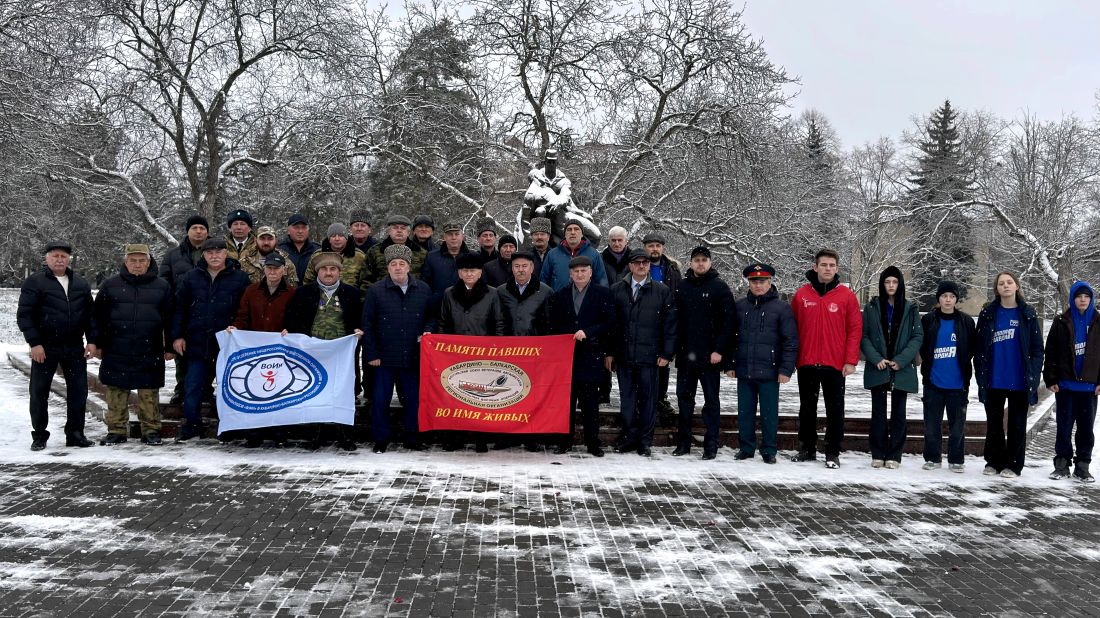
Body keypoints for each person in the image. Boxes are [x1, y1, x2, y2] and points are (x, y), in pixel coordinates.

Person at [90, 244, 174, 446]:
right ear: (126, 262)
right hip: (116, 347)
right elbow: (97, 318)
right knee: (116, 391)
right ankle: (116, 430)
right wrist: (97, 343)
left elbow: (171, 318)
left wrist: (170, 346)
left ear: (149, 262)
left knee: (148, 391)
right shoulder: (110, 285)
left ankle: (151, 430)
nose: (137, 265)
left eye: (142, 261)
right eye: (133, 261)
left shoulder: (162, 286)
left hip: (150, 347)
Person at [17, 241, 96, 451]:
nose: (59, 260)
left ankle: (75, 433)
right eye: (55, 256)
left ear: (69, 259)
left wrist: (93, 341)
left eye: (63, 256)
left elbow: (90, 316)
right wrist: (34, 343)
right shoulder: (35, 282)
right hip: (45, 347)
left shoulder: (80, 283)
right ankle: (40, 435)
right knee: (39, 391)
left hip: (73, 347)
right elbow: (25, 315)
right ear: (47, 258)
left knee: (79, 391)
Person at [171, 238, 251, 441]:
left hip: (227, 345)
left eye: (218, 252)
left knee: (230, 388)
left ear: (226, 254)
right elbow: (179, 309)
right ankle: (192, 426)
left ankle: (229, 429)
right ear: (204, 255)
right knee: (193, 388)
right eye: (210, 253)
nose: (214, 256)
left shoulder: (240, 278)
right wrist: (177, 336)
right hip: (197, 341)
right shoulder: (191, 278)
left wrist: (241, 332)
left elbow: (246, 311)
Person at [283, 252, 363, 451]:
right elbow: (292, 319)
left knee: (344, 392)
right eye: (324, 269)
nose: (329, 273)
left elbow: (360, 319)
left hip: (342, 353)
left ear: (339, 271)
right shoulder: (303, 293)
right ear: (318, 271)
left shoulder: (351, 293)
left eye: (333, 269)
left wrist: (360, 331)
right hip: (313, 353)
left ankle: (346, 434)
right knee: (314, 391)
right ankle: (314, 434)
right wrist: (290, 332)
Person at [790, 249, 862, 469]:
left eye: (832, 265)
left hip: (835, 364)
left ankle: (832, 452)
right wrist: (792, 359)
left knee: (835, 410)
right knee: (807, 408)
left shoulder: (846, 296)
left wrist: (850, 360)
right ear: (815, 267)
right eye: (824, 265)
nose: (828, 269)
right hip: (807, 362)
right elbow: (791, 329)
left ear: (837, 268)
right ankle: (807, 449)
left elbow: (855, 329)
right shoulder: (802, 295)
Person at [362, 244, 435, 453]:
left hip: (412, 355)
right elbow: (368, 323)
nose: (397, 268)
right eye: (393, 264)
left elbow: (431, 316)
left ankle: (412, 437)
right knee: (380, 400)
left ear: (409, 267)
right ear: (388, 268)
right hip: (384, 357)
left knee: (413, 400)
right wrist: (372, 353)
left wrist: (429, 330)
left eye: (402, 264)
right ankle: (381, 439)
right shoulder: (376, 291)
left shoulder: (422, 289)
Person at [974, 271, 1044, 478]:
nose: (1005, 286)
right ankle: (994, 462)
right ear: (996, 289)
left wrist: (1033, 370)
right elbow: (979, 349)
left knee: (1017, 424)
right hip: (994, 377)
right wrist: (980, 372)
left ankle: (1014, 465)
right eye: (1001, 283)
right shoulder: (988, 314)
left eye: (1009, 282)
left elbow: (1037, 350)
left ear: (1016, 286)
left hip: (1019, 379)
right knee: (994, 423)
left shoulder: (1027, 314)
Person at [608, 249, 677, 457]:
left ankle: (645, 441)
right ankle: (630, 435)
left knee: (648, 400)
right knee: (627, 398)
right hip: (624, 355)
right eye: (637, 263)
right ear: (630, 266)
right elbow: (612, 326)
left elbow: (670, 325)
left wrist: (667, 353)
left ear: (649, 266)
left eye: (645, 263)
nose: (641, 266)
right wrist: (610, 352)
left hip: (651, 356)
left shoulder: (661, 291)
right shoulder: (617, 290)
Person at [548, 256, 617, 457]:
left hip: (591, 355)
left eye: (583, 271)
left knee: (590, 403)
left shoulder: (603, 294)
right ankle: (565, 441)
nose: (579, 274)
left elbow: (610, 322)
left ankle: (592, 442)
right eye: (576, 271)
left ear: (590, 272)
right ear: (570, 274)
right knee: (566, 403)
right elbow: (553, 324)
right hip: (566, 358)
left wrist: (589, 332)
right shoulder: (560, 295)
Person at [730, 263, 798, 465]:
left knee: (769, 414)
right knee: (745, 412)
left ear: (770, 282)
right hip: (744, 370)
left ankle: (769, 449)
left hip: (770, 371)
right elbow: (732, 338)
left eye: (762, 281)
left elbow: (790, 341)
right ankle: (746, 447)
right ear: (749, 283)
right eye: (754, 281)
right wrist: (731, 364)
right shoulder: (740, 306)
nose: (758, 285)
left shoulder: (782, 308)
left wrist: (786, 369)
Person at [437, 253, 505, 452]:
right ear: (459, 272)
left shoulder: (492, 294)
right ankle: (454, 437)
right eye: (465, 270)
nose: (469, 274)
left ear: (480, 272)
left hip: (483, 354)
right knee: (456, 396)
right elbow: (442, 322)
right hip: (455, 354)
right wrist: (442, 348)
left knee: (479, 397)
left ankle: (480, 437)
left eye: (473, 270)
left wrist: (497, 349)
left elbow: (499, 322)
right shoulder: (449, 293)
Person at [672, 247, 735, 460]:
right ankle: (683, 443)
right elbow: (675, 321)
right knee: (684, 401)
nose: (700, 264)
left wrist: (719, 350)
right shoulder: (682, 287)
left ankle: (711, 444)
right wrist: (674, 349)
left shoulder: (720, 288)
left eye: (704, 260)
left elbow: (728, 323)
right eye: (696, 260)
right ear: (690, 263)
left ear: (710, 262)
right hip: (686, 356)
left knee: (711, 402)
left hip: (710, 357)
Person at [860, 266, 923, 469]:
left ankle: (894, 454)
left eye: (895, 282)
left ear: (900, 284)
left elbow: (917, 336)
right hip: (878, 365)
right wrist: (876, 358)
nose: (891, 286)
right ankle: (878, 453)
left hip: (900, 367)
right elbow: (865, 336)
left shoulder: (909, 308)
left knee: (899, 413)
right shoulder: (872, 307)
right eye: (887, 282)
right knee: (878, 412)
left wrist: (902, 360)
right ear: (882, 284)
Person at [1042, 281, 1099, 483]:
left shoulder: (1098, 321)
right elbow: (1050, 353)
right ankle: (1062, 464)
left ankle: (1083, 466)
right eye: (1078, 296)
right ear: (1072, 298)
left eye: (1086, 296)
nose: (1082, 299)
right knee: (1063, 427)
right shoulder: (1061, 321)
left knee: (1086, 429)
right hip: (1065, 386)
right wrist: (1050, 377)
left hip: (1090, 388)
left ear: (1091, 299)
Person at [919, 281, 976, 473]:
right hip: (934, 382)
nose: (948, 300)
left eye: (951, 296)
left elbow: (971, 349)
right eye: (944, 296)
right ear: (939, 298)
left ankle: (956, 459)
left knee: (957, 426)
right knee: (932, 424)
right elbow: (922, 346)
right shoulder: (928, 320)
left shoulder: (966, 321)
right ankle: (932, 457)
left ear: (956, 299)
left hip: (958, 383)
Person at [159, 214, 209, 404]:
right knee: (181, 350)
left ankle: (204, 389)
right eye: (194, 228)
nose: (198, 231)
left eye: (202, 228)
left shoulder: (215, 251)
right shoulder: (173, 255)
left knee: (205, 352)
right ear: (187, 231)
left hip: (206, 309)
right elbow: (164, 280)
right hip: (181, 309)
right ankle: (182, 387)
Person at [641, 231, 683, 420]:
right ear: (645, 247)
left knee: (663, 363)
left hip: (666, 320)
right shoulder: (639, 265)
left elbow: (678, 295)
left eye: (658, 245)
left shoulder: (673, 269)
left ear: (663, 248)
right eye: (651, 245)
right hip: (644, 321)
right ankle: (643, 399)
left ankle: (660, 398)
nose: (655, 249)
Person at [541, 218, 609, 291]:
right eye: (569, 229)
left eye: (576, 229)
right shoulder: (552, 254)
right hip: (558, 300)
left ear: (582, 234)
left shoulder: (594, 254)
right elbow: (543, 282)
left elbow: (602, 281)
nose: (572, 232)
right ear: (565, 234)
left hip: (586, 301)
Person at [302, 223, 368, 291]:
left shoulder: (359, 256)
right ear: (329, 239)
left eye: (341, 235)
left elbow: (366, 281)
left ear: (346, 238)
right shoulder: (318, 256)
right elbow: (308, 281)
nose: (337, 239)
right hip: (322, 298)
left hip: (351, 298)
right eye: (333, 236)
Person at [364, 214, 427, 284]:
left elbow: (426, 279)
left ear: (408, 232)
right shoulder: (374, 251)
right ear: (389, 231)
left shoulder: (421, 253)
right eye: (395, 228)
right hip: (382, 293)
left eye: (403, 228)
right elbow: (366, 280)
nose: (399, 231)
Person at [278, 214, 321, 281]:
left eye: (304, 227)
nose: (300, 231)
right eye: (296, 227)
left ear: (308, 230)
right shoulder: (279, 250)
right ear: (288, 231)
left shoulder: (318, 250)